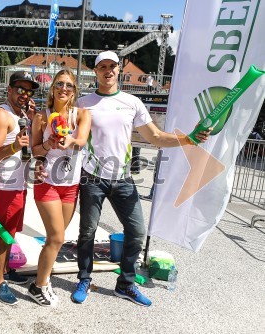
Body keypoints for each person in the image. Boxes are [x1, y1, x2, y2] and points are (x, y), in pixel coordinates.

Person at [72, 51, 211, 307]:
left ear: (118, 70)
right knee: (87, 232)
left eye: (112, 66)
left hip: (123, 179)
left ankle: (125, 284)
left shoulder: (132, 102)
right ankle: (84, 279)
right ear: (96, 71)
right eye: (102, 67)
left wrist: (188, 138)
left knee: (136, 232)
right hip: (93, 178)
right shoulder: (83, 103)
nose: (108, 71)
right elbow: (69, 137)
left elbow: (155, 137)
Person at [28, 69, 91, 306]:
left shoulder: (82, 114)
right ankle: (39, 285)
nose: (64, 88)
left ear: (74, 91)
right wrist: (47, 144)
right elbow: (34, 151)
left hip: (71, 185)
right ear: (53, 87)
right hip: (47, 183)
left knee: (56, 239)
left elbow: (82, 140)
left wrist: (71, 140)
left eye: (69, 85)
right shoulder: (41, 117)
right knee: (56, 237)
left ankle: (43, 275)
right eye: (60, 84)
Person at [0, 71, 39, 305]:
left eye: (28, 91)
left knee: (12, 233)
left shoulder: (22, 115)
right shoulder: (1, 115)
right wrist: (15, 147)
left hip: (18, 183)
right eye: (20, 89)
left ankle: (6, 270)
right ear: (9, 90)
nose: (24, 94)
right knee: (3, 235)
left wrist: (32, 116)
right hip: (5, 185)